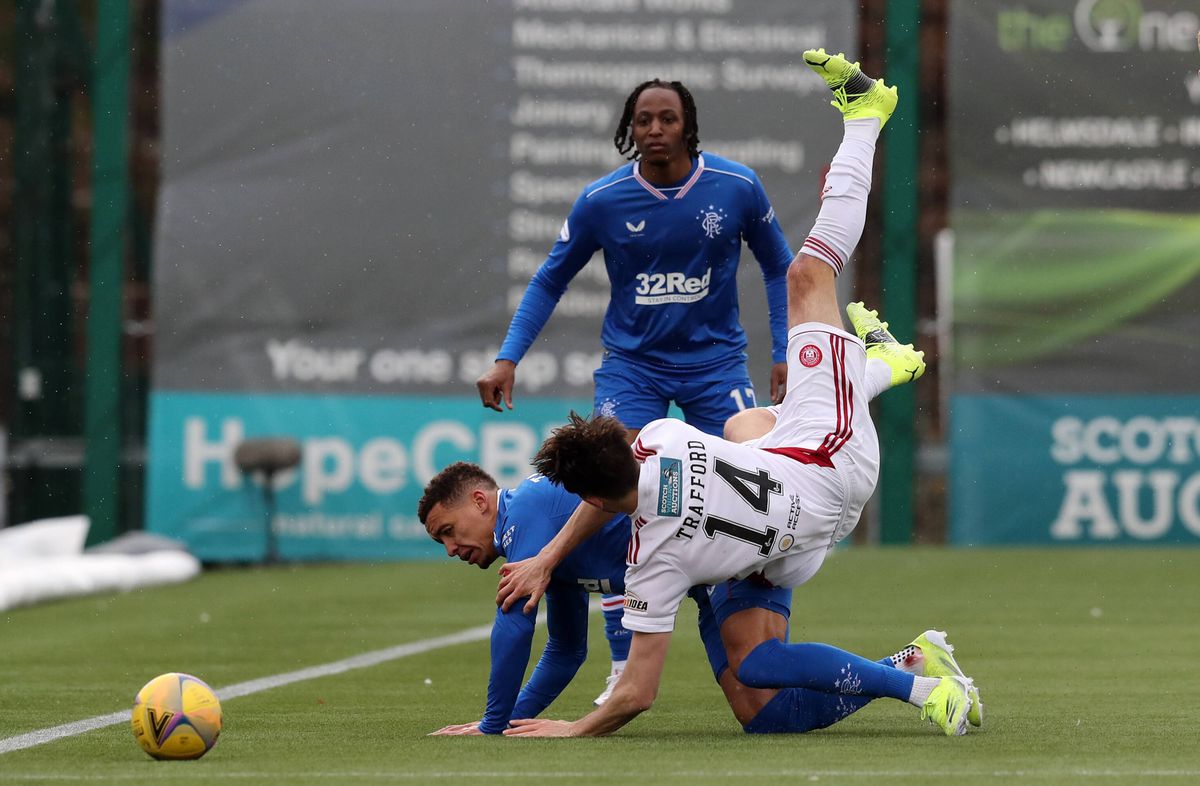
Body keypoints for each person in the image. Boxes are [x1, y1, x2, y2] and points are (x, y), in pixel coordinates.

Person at [496, 50, 983, 739]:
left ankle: (912, 674)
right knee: (811, 280)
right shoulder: (666, 439)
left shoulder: (652, 563)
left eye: (668, 117)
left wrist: (574, 727)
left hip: (809, 521)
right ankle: (872, 349)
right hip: (823, 468)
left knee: (759, 690)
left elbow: (637, 690)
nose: (656, 127)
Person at [478, 78, 797, 700]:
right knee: (611, 480)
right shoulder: (602, 199)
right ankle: (624, 660)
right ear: (630, 127)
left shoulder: (736, 187)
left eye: (667, 119)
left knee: (749, 486)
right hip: (634, 368)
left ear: (687, 125)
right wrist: (507, 357)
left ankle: (751, 632)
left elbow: (780, 264)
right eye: (643, 119)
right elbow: (550, 279)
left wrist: (784, 350)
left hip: (716, 367)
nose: (655, 129)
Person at [419, 461, 973, 736]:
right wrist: (515, 723)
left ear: (480, 499)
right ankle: (913, 660)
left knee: (758, 665)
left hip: (728, 545)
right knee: (765, 717)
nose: (450, 548)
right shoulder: (547, 555)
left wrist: (491, 727)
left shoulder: (524, 515)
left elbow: (514, 628)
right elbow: (565, 652)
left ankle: (924, 691)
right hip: (702, 576)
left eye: (448, 530)